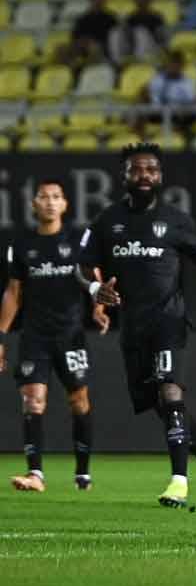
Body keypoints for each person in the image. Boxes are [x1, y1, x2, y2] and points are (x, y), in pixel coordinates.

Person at [77, 143, 196, 509]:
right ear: (125, 176)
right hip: (133, 328)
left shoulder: (175, 220)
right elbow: (84, 265)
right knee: (163, 407)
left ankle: (178, 482)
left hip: (170, 320)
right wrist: (96, 287)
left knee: (170, 393)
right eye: (137, 170)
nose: (145, 176)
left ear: (161, 177)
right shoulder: (107, 221)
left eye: (152, 170)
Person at [1, 178, 103, 492]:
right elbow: (13, 293)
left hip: (70, 334)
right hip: (35, 336)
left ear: (65, 204)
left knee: (79, 400)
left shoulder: (78, 240)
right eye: (43, 197)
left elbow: (92, 278)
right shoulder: (21, 244)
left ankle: (82, 473)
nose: (49, 202)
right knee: (33, 400)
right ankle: (36, 475)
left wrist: (99, 308)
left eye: (55, 196)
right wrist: (1, 335)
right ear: (33, 204)